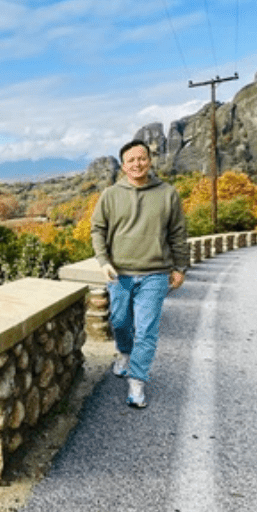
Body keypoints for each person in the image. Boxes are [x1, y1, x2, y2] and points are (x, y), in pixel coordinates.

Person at [90, 139, 189, 408]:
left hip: (155, 273)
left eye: (141, 158)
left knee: (146, 330)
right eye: (131, 160)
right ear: (123, 165)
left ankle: (137, 381)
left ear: (150, 160)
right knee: (120, 322)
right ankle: (124, 352)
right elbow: (97, 229)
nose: (137, 164)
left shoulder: (168, 193)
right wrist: (103, 260)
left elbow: (178, 233)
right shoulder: (110, 194)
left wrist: (180, 267)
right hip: (119, 273)